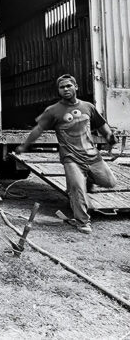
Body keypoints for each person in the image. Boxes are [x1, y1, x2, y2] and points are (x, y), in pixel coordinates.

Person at [16, 74, 117, 234]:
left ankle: (87, 178)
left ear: (76, 87)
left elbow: (102, 125)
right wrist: (24, 146)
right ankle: (83, 222)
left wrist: (111, 139)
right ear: (58, 91)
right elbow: (38, 129)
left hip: (92, 155)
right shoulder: (53, 111)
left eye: (68, 86)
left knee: (110, 182)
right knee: (77, 187)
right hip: (71, 158)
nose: (65, 89)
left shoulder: (88, 107)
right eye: (62, 87)